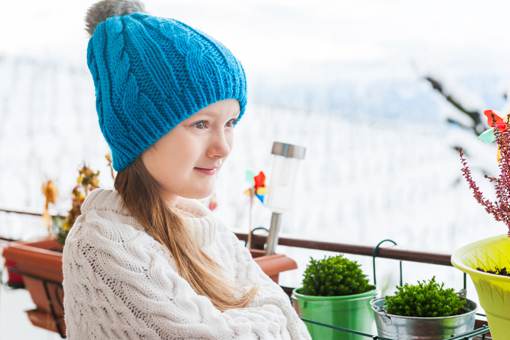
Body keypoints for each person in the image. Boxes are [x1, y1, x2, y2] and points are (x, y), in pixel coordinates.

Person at [62, 0, 311, 339]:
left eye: (230, 123)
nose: (223, 147)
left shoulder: (203, 226)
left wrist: (269, 317)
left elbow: (292, 323)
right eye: (200, 124)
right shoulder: (102, 241)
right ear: (139, 131)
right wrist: (269, 316)